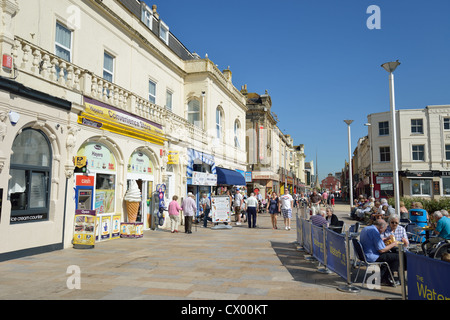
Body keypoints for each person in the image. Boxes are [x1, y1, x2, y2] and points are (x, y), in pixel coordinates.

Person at [359, 219, 401, 286]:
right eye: (384, 229)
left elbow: (372, 241)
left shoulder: (367, 228)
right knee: (397, 257)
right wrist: (393, 244)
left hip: (364, 254)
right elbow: (382, 250)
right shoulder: (375, 232)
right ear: (381, 227)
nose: (384, 230)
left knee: (389, 256)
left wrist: (384, 239)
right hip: (372, 256)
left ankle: (384, 275)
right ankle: (387, 277)